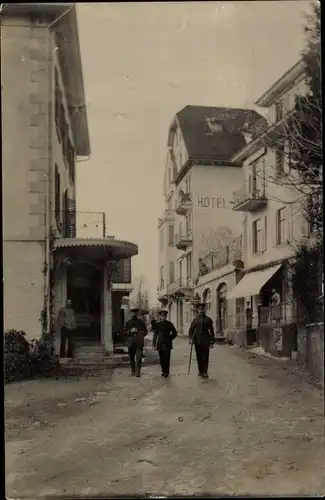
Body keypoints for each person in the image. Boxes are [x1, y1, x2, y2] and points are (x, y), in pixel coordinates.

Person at [188, 302, 215, 378]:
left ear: (204, 310)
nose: (201, 310)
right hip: (197, 341)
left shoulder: (208, 320)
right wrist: (190, 338)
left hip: (206, 341)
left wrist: (212, 341)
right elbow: (191, 330)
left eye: (202, 309)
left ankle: (205, 372)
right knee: (199, 357)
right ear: (197, 310)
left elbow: (212, 331)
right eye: (199, 309)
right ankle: (200, 371)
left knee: (205, 357)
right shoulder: (195, 320)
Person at [152, 309, 177, 378]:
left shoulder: (169, 324)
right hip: (159, 343)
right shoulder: (158, 324)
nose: (163, 317)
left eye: (164, 316)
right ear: (160, 316)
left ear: (166, 316)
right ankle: (163, 371)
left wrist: (170, 338)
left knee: (167, 358)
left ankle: (166, 372)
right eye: (162, 316)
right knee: (161, 358)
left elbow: (175, 333)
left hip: (167, 344)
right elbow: (155, 335)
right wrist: (154, 344)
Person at [124, 307, 148, 377]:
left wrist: (140, 334)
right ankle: (133, 372)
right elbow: (124, 332)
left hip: (139, 342)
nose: (134, 314)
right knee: (131, 358)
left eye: (135, 313)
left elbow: (145, 332)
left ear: (137, 314)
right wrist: (130, 331)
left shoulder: (141, 322)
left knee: (139, 358)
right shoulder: (128, 322)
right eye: (133, 313)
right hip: (131, 343)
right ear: (131, 314)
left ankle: (138, 372)